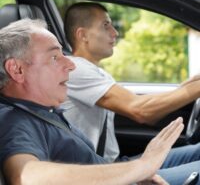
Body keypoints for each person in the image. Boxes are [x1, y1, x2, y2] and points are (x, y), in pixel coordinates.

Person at [0, 18, 186, 185]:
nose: (71, 64)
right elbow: (25, 177)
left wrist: (131, 174)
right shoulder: (13, 121)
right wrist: (139, 168)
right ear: (17, 70)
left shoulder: (41, 110)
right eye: (55, 57)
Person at [61, 1, 200, 161]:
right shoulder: (76, 69)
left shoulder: (96, 72)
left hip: (114, 166)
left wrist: (191, 85)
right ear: (82, 35)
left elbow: (144, 105)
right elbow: (141, 110)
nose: (115, 33)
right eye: (106, 25)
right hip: (100, 174)